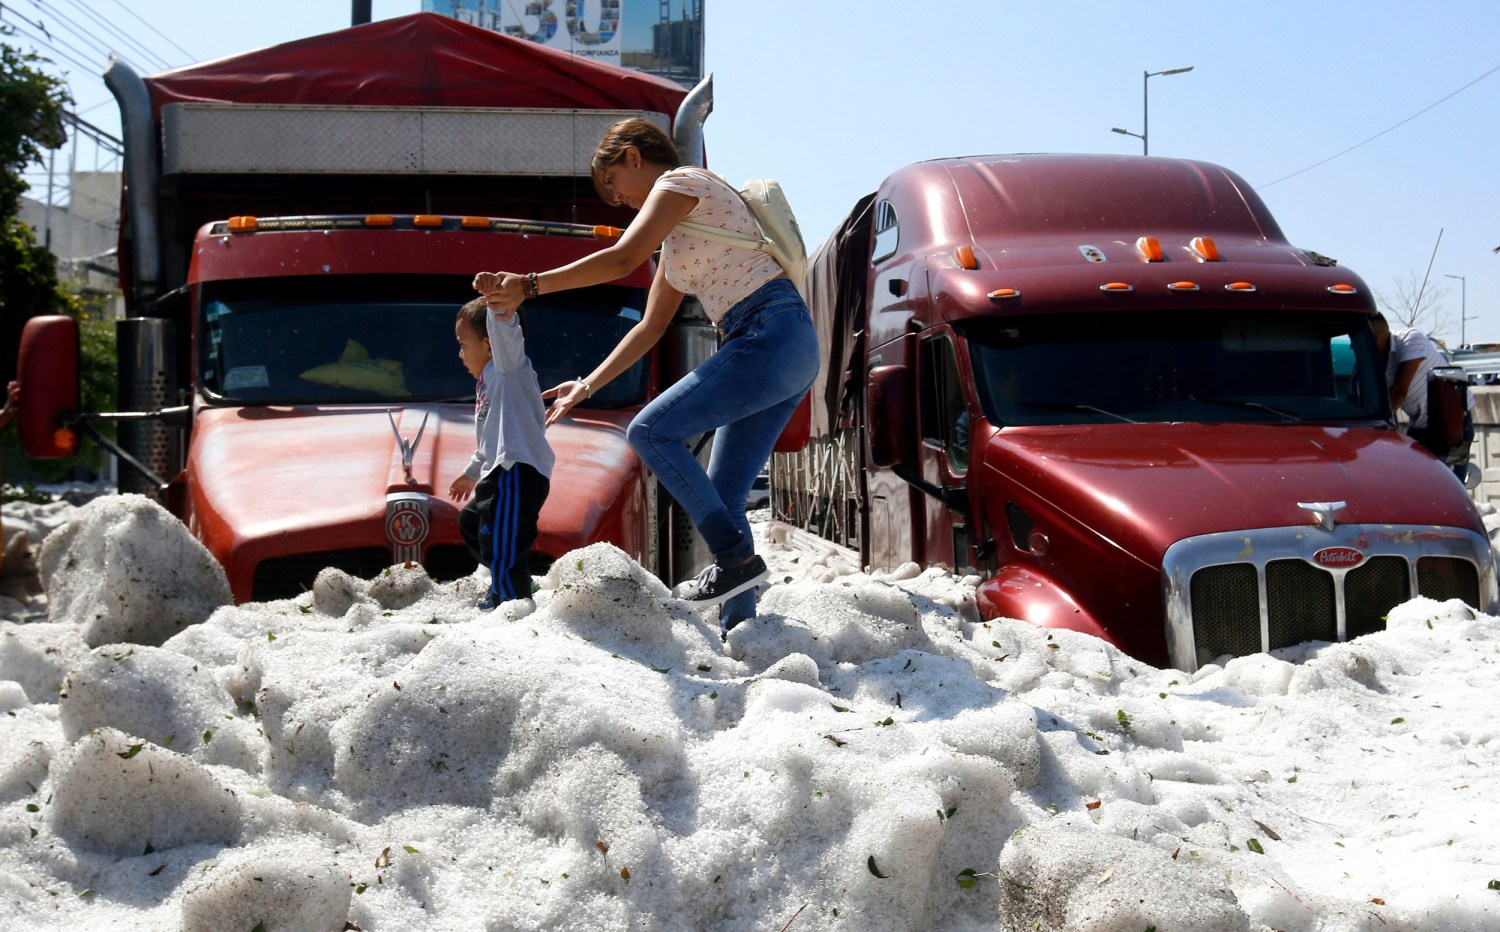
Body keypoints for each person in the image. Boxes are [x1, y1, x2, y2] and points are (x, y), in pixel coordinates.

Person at [473, 117, 818, 635]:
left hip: (769, 331)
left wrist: (530, 284)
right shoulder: (678, 246)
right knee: (724, 499)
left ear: (634, 156)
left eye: (615, 185)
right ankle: (740, 632)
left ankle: (739, 562)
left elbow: (621, 258)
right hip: (778, 345)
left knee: (650, 430)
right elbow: (650, 328)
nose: (621, 202)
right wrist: (588, 383)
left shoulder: (681, 182)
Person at [448, 298, 554, 611]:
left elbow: (507, 334)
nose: (460, 353)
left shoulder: (507, 370)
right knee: (471, 522)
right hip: (497, 470)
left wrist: (499, 306)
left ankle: (509, 601)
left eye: (463, 344)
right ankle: (515, 579)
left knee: (500, 539)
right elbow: (488, 440)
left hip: (517, 470)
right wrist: (471, 472)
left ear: (489, 344)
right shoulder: (488, 382)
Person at [1370, 312, 1474, 482]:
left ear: (1376, 338)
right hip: (1419, 426)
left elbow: (1399, 391)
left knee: (1446, 487)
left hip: (1450, 424)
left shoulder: (1411, 339)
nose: (1353, 347)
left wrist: (1371, 428)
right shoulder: (1373, 362)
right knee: (1410, 483)